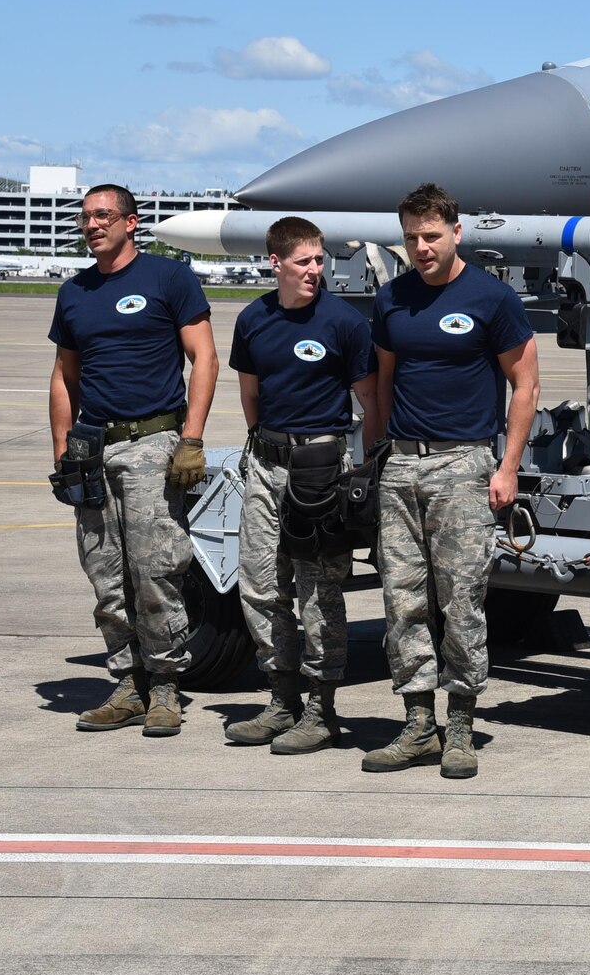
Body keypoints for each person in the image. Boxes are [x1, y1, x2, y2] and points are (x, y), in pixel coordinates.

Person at [360, 183, 539, 779]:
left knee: (462, 598)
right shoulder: (392, 299)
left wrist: (507, 466)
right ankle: (417, 725)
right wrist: (381, 450)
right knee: (402, 599)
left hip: (465, 466)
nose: (421, 247)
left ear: (456, 233)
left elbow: (526, 385)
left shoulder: (492, 297)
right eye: (411, 237)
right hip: (403, 465)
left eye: (431, 236)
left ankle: (459, 723)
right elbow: (383, 380)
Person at [47, 183, 217, 738]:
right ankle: (127, 683)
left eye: (103, 216)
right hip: (93, 449)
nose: (92, 225)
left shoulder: (169, 278)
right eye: (85, 218)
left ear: (130, 222)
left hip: (152, 443)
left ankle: (165, 686)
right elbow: (63, 377)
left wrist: (191, 439)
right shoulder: (74, 292)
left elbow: (205, 357)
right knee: (104, 572)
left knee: (155, 570)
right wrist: (62, 453)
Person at [223, 216, 382, 755]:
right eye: (304, 261)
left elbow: (371, 401)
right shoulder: (252, 320)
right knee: (260, 585)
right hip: (266, 464)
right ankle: (280, 698)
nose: (316, 270)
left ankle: (321, 708)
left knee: (319, 589)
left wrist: (365, 469)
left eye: (320, 259)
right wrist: (264, 446)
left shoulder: (343, 322)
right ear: (276, 263)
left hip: (322, 468)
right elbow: (250, 395)